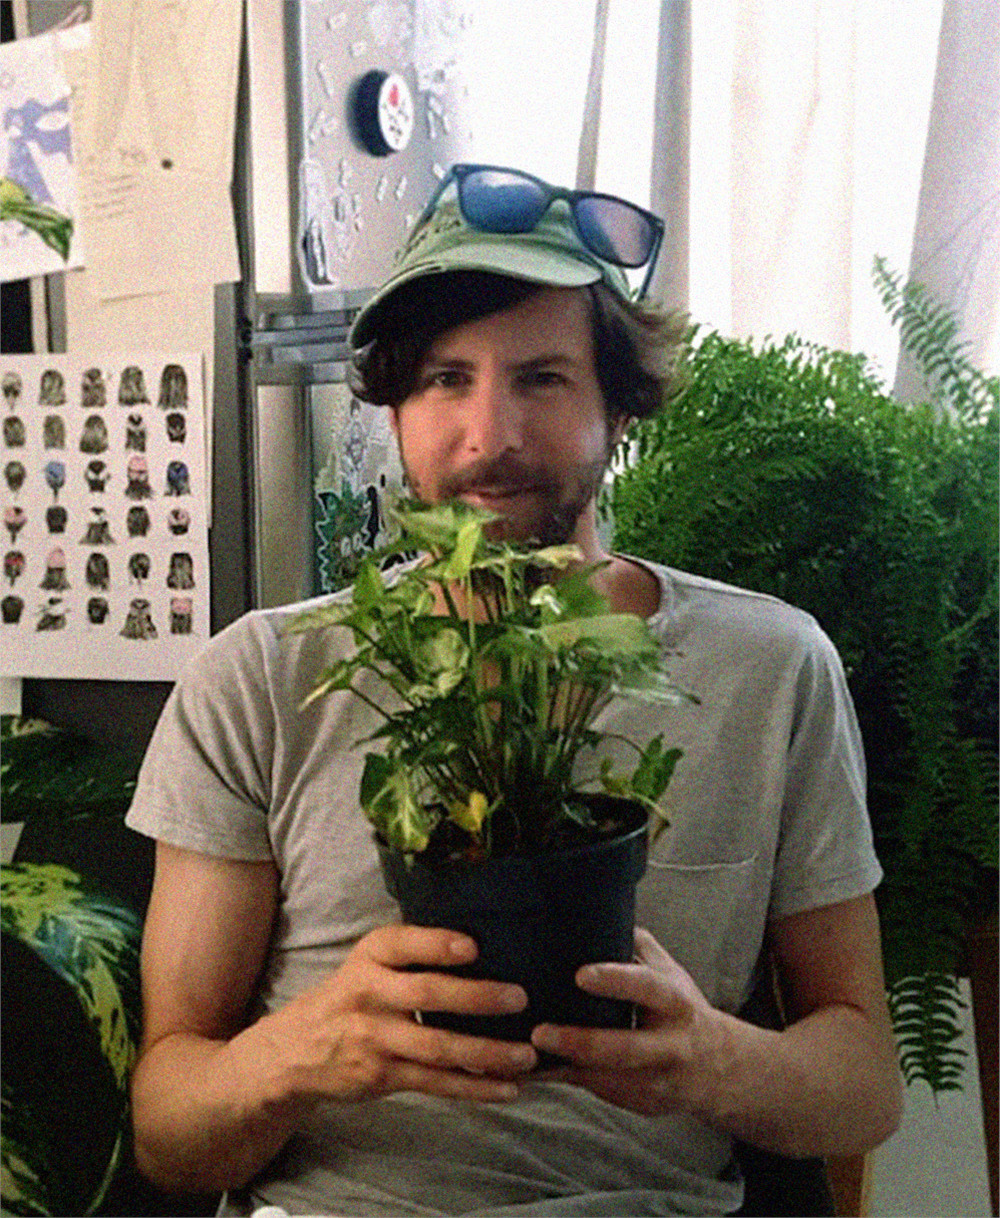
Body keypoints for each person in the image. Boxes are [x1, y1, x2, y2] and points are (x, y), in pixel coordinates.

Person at [126, 164, 903, 1217]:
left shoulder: (770, 668)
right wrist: (308, 1050)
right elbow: (169, 1131)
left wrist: (709, 1059)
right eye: (445, 379)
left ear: (617, 409)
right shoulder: (259, 678)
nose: (489, 434)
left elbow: (863, 1085)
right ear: (394, 413)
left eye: (541, 379)